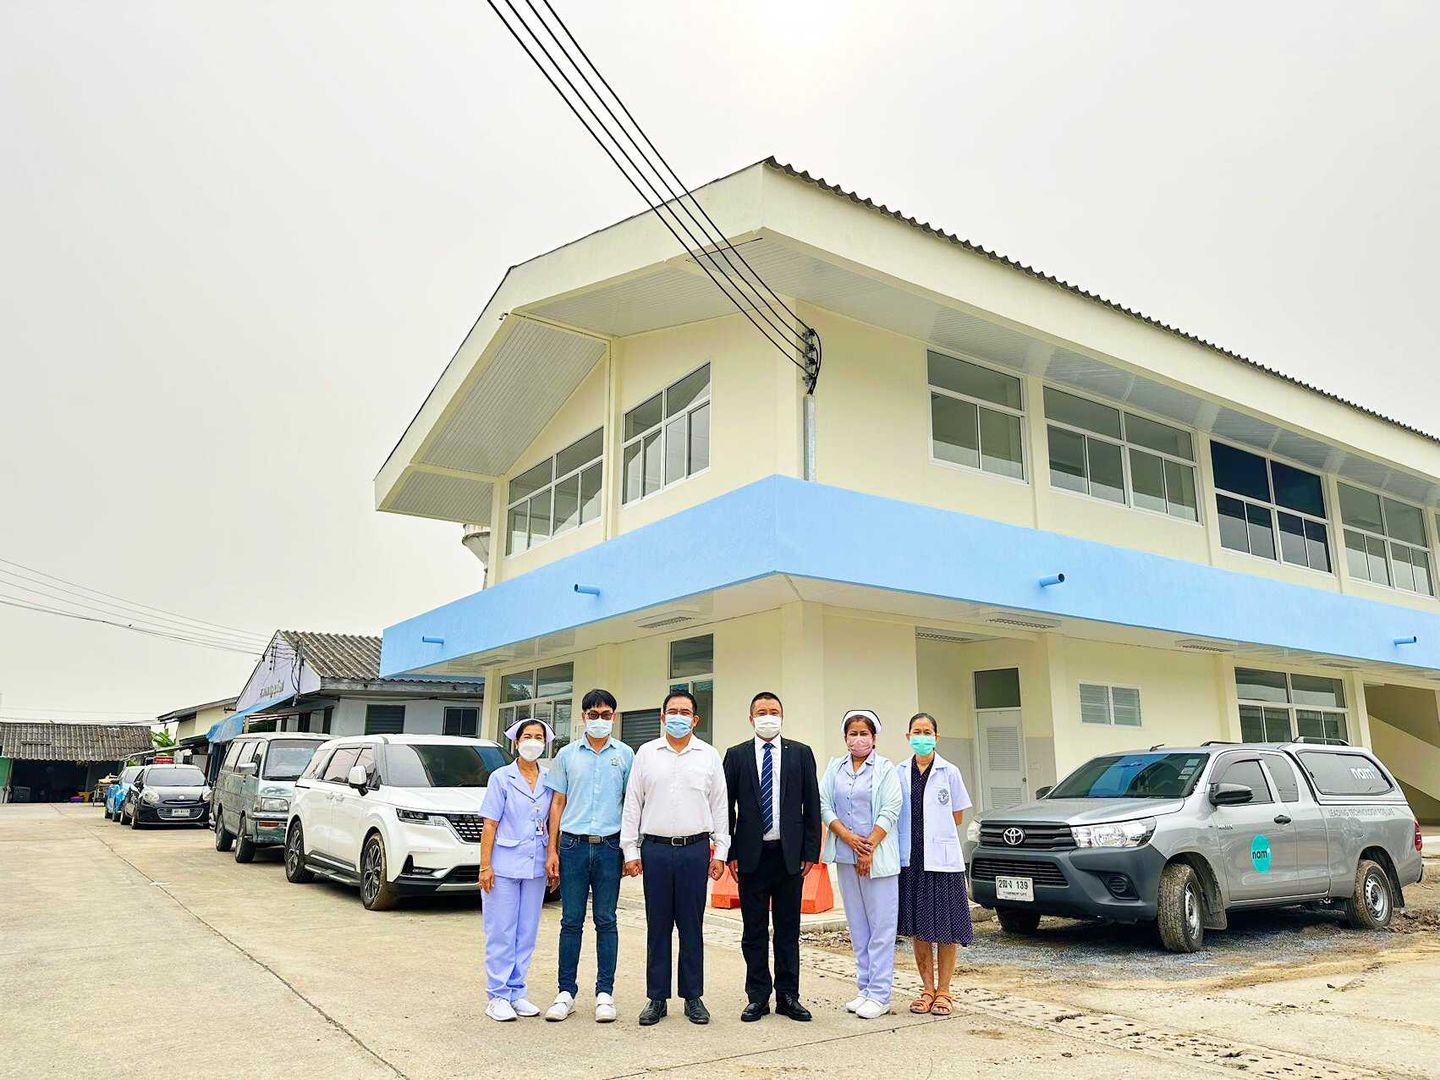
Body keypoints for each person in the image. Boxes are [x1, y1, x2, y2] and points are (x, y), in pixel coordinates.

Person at [620, 689, 730, 1026]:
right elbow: (633, 803)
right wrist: (630, 849)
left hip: (695, 850)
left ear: (695, 720)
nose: (678, 717)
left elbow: (720, 806)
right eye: (672, 711)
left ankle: (693, 996)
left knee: (691, 926)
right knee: (658, 925)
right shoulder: (646, 753)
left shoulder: (708, 755)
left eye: (685, 712)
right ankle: (656, 998)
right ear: (662, 717)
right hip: (655, 850)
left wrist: (721, 851)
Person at [722, 691, 822, 1023]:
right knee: (753, 930)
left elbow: (812, 805)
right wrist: (730, 852)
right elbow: (726, 808)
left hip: (789, 856)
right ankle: (758, 996)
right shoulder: (736, 755)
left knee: (787, 930)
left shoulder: (801, 753)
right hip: (751, 856)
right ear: (751, 718)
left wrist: (810, 852)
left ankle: (788, 996)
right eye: (762, 712)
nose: (768, 717)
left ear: (782, 716)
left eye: (774, 711)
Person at [542, 688, 635, 1023]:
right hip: (573, 846)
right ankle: (565, 992)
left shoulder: (625, 755)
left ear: (614, 717)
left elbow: (631, 804)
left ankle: (605, 993)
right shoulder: (567, 755)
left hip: (610, 846)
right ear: (583, 717)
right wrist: (552, 849)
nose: (599, 720)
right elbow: (557, 803)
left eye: (605, 715)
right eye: (593, 714)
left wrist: (630, 849)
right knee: (571, 920)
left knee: (606, 920)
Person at [818, 709, 903, 1020]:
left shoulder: (886, 769)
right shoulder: (835, 768)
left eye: (864, 734)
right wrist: (848, 838)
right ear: (845, 738)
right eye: (852, 734)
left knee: (881, 928)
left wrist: (867, 849)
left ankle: (880, 994)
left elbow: (891, 809)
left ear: (874, 738)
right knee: (858, 926)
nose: (858, 739)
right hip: (845, 855)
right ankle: (864, 988)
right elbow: (824, 804)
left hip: (877, 858)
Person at [479, 718, 559, 1022]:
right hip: (503, 864)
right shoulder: (501, 778)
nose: (533, 742)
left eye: (539, 737)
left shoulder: (549, 778)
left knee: (526, 932)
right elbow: (490, 824)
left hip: (535, 864)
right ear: (516, 742)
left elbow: (552, 820)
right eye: (528, 736)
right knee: (501, 931)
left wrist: (552, 857)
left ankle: (516, 991)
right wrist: (485, 866)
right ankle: (497, 995)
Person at [897, 712, 974, 1017]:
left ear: (936, 738)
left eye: (927, 732)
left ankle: (944, 991)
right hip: (912, 859)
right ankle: (927, 989)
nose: (922, 737)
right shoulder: (899, 771)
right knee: (919, 927)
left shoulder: (949, 771)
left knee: (946, 926)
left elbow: (958, 816)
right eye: (916, 731)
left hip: (942, 860)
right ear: (908, 737)